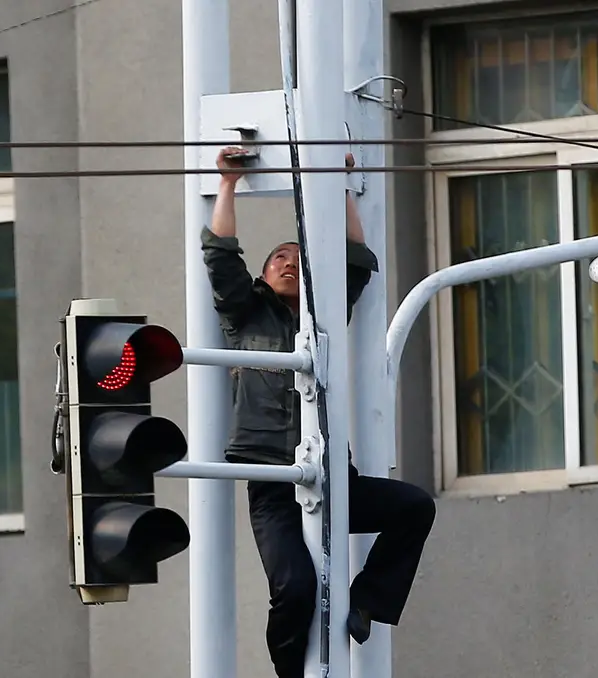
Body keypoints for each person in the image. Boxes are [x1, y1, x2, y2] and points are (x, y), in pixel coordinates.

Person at [201, 145, 437, 678]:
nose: (288, 262)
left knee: (414, 506)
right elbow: (220, 255)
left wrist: (345, 186)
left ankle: (368, 601)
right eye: (277, 258)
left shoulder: (323, 314)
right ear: (263, 277)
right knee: (293, 586)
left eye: (296, 257)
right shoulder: (245, 316)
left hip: (331, 473)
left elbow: (357, 259)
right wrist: (227, 184)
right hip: (271, 475)